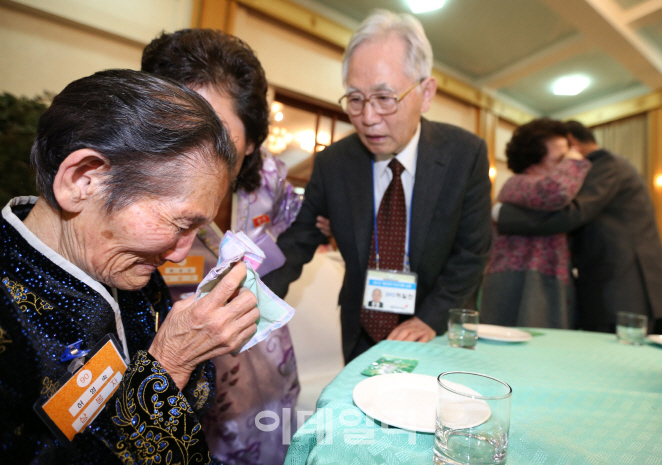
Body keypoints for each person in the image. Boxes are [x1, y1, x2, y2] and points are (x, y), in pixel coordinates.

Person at [0, 69, 259, 463]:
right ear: (83, 180)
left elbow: (188, 413)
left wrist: (189, 349)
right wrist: (168, 365)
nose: (178, 255)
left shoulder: (130, 266)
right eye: (179, 224)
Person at [263, 10, 492, 363]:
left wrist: (429, 320)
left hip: (434, 329)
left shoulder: (465, 155)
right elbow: (297, 242)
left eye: (385, 98)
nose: (368, 118)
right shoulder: (334, 162)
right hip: (362, 329)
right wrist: (251, 296)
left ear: (426, 93)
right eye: (355, 99)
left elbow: (471, 254)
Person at [141, 29, 302, 464]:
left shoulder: (269, 183)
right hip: (182, 372)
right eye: (177, 131)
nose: (197, 160)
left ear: (250, 144)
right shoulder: (131, 199)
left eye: (219, 140)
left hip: (269, 361)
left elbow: (295, 226)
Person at [496, 119, 662, 332]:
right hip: (608, 285)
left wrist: (501, 215)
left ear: (572, 143)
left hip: (621, 286)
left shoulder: (605, 163)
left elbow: (572, 214)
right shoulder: (526, 181)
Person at [480, 118, 591, 329]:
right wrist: (575, 160)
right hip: (518, 283)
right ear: (533, 159)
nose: (564, 166)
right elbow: (555, 192)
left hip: (545, 281)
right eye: (560, 160)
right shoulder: (517, 183)